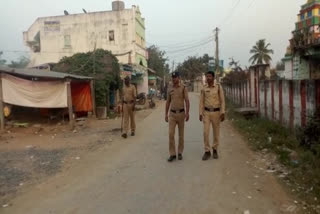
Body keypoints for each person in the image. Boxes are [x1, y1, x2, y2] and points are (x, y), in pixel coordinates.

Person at [199, 71, 225, 160]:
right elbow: (201, 102)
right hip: (206, 113)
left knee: (216, 133)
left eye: (209, 76)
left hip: (216, 113)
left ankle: (215, 149)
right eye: (207, 77)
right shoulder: (204, 88)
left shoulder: (218, 87)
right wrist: (200, 113)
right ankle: (207, 151)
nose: (208, 78)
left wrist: (223, 112)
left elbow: (222, 100)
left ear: (213, 78)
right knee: (205, 132)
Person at [165, 72, 190, 162]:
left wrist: (187, 113)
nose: (174, 79)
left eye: (175, 77)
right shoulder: (170, 88)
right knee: (171, 134)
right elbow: (168, 102)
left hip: (181, 114)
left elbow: (187, 101)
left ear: (179, 78)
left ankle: (179, 152)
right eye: (173, 77)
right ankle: (172, 154)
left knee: (181, 135)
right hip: (172, 114)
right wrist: (166, 114)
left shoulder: (183, 87)